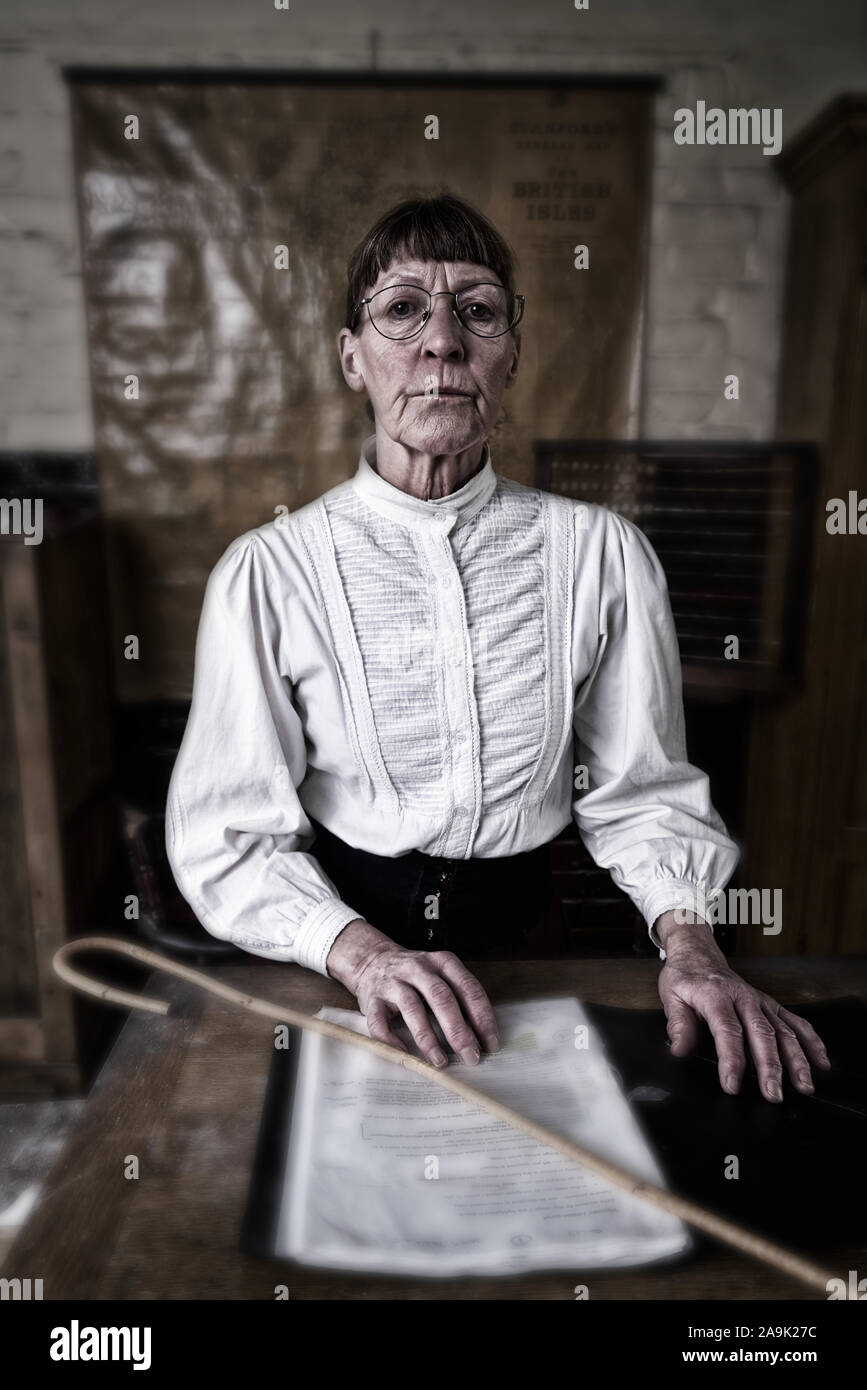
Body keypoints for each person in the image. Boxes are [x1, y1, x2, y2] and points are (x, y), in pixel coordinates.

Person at [166, 193, 829, 1100]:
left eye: (476, 311)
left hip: (542, 945)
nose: (441, 342)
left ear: (508, 356)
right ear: (351, 357)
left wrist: (693, 947)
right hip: (331, 949)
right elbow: (228, 835)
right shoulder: (268, 572)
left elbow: (642, 792)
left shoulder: (601, 552)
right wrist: (359, 956)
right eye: (402, 310)